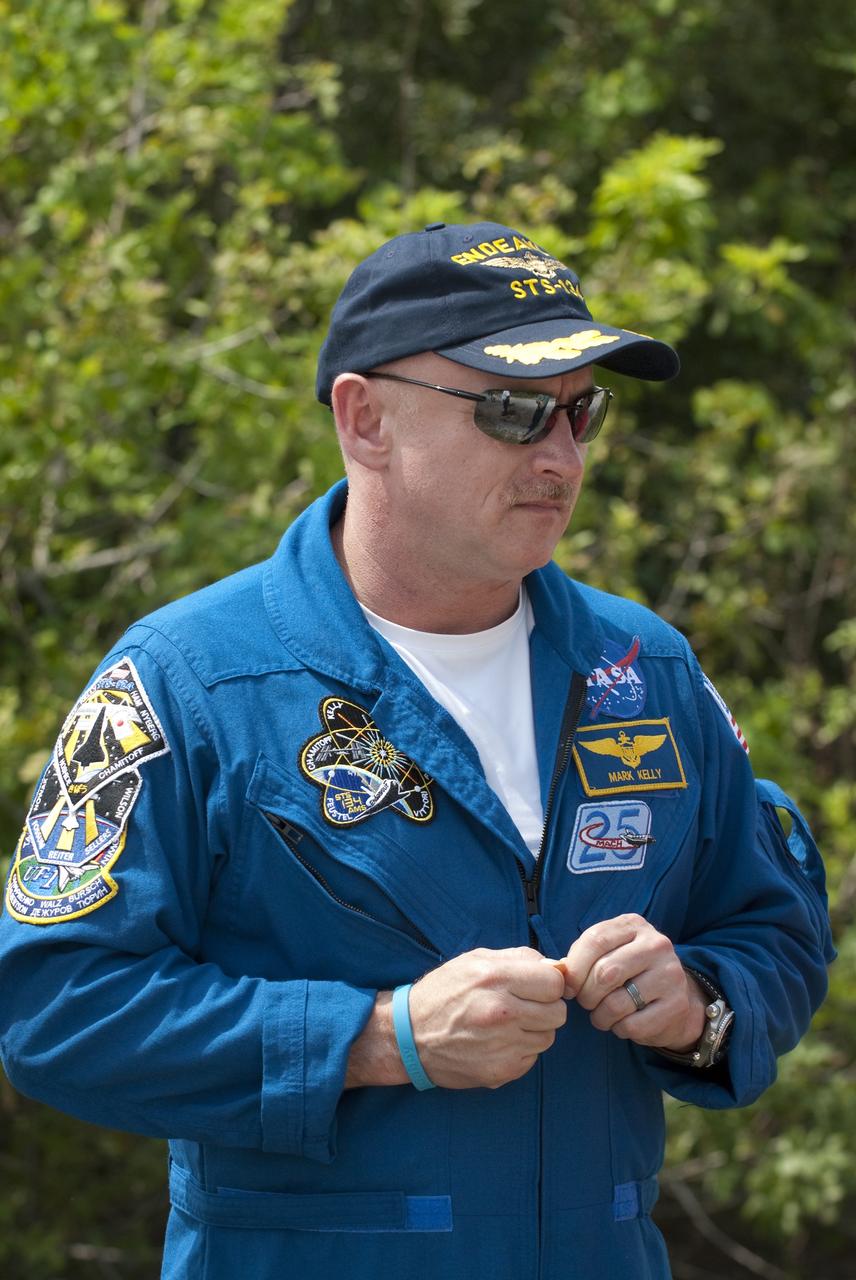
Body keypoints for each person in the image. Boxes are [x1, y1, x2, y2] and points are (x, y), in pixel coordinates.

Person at [0, 221, 835, 1280]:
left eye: (582, 413)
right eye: (512, 409)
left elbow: (775, 926)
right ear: (364, 418)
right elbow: (56, 1007)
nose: (559, 454)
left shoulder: (646, 669)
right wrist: (379, 1037)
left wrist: (697, 1003)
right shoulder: (191, 681)